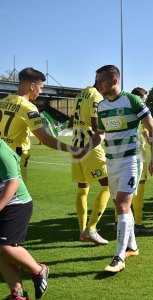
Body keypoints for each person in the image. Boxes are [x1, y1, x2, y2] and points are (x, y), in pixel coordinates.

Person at [95, 65, 153, 273]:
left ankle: (119, 257)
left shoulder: (132, 100)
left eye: (101, 80)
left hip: (131, 160)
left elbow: (152, 127)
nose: (97, 84)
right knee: (121, 206)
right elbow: (100, 134)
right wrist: (82, 148)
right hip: (111, 161)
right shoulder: (101, 106)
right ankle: (132, 246)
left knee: (123, 205)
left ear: (114, 80)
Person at [0, 68, 92, 177]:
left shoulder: (2, 102)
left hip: (2, 155)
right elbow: (45, 139)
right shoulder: (28, 107)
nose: (41, 91)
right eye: (41, 87)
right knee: (16, 193)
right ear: (32, 86)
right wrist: (73, 149)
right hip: (13, 161)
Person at [0, 139, 48, 300]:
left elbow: (13, 182)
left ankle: (39, 270)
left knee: (6, 246)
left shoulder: (1, 150)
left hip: (17, 204)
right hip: (4, 203)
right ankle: (18, 294)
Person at [70, 85, 110, 245]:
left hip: (76, 145)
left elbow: (72, 119)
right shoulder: (96, 96)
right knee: (108, 186)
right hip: (90, 147)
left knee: (82, 188)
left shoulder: (80, 94)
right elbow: (96, 126)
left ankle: (82, 231)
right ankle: (91, 228)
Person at [130, 87, 153, 234]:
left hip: (121, 154)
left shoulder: (125, 111)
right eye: (145, 99)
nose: (145, 101)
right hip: (137, 155)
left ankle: (117, 222)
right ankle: (137, 223)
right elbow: (149, 132)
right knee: (139, 188)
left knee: (123, 190)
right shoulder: (140, 111)